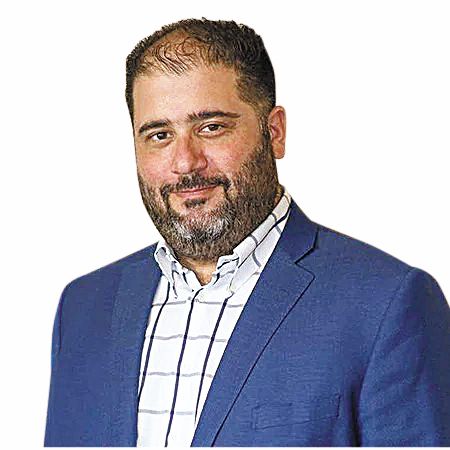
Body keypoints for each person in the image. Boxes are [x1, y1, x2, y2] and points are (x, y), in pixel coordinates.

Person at [44, 18, 450, 447]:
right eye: (159, 135)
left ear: (274, 132)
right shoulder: (83, 308)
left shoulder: (387, 304)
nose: (185, 162)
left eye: (211, 127)